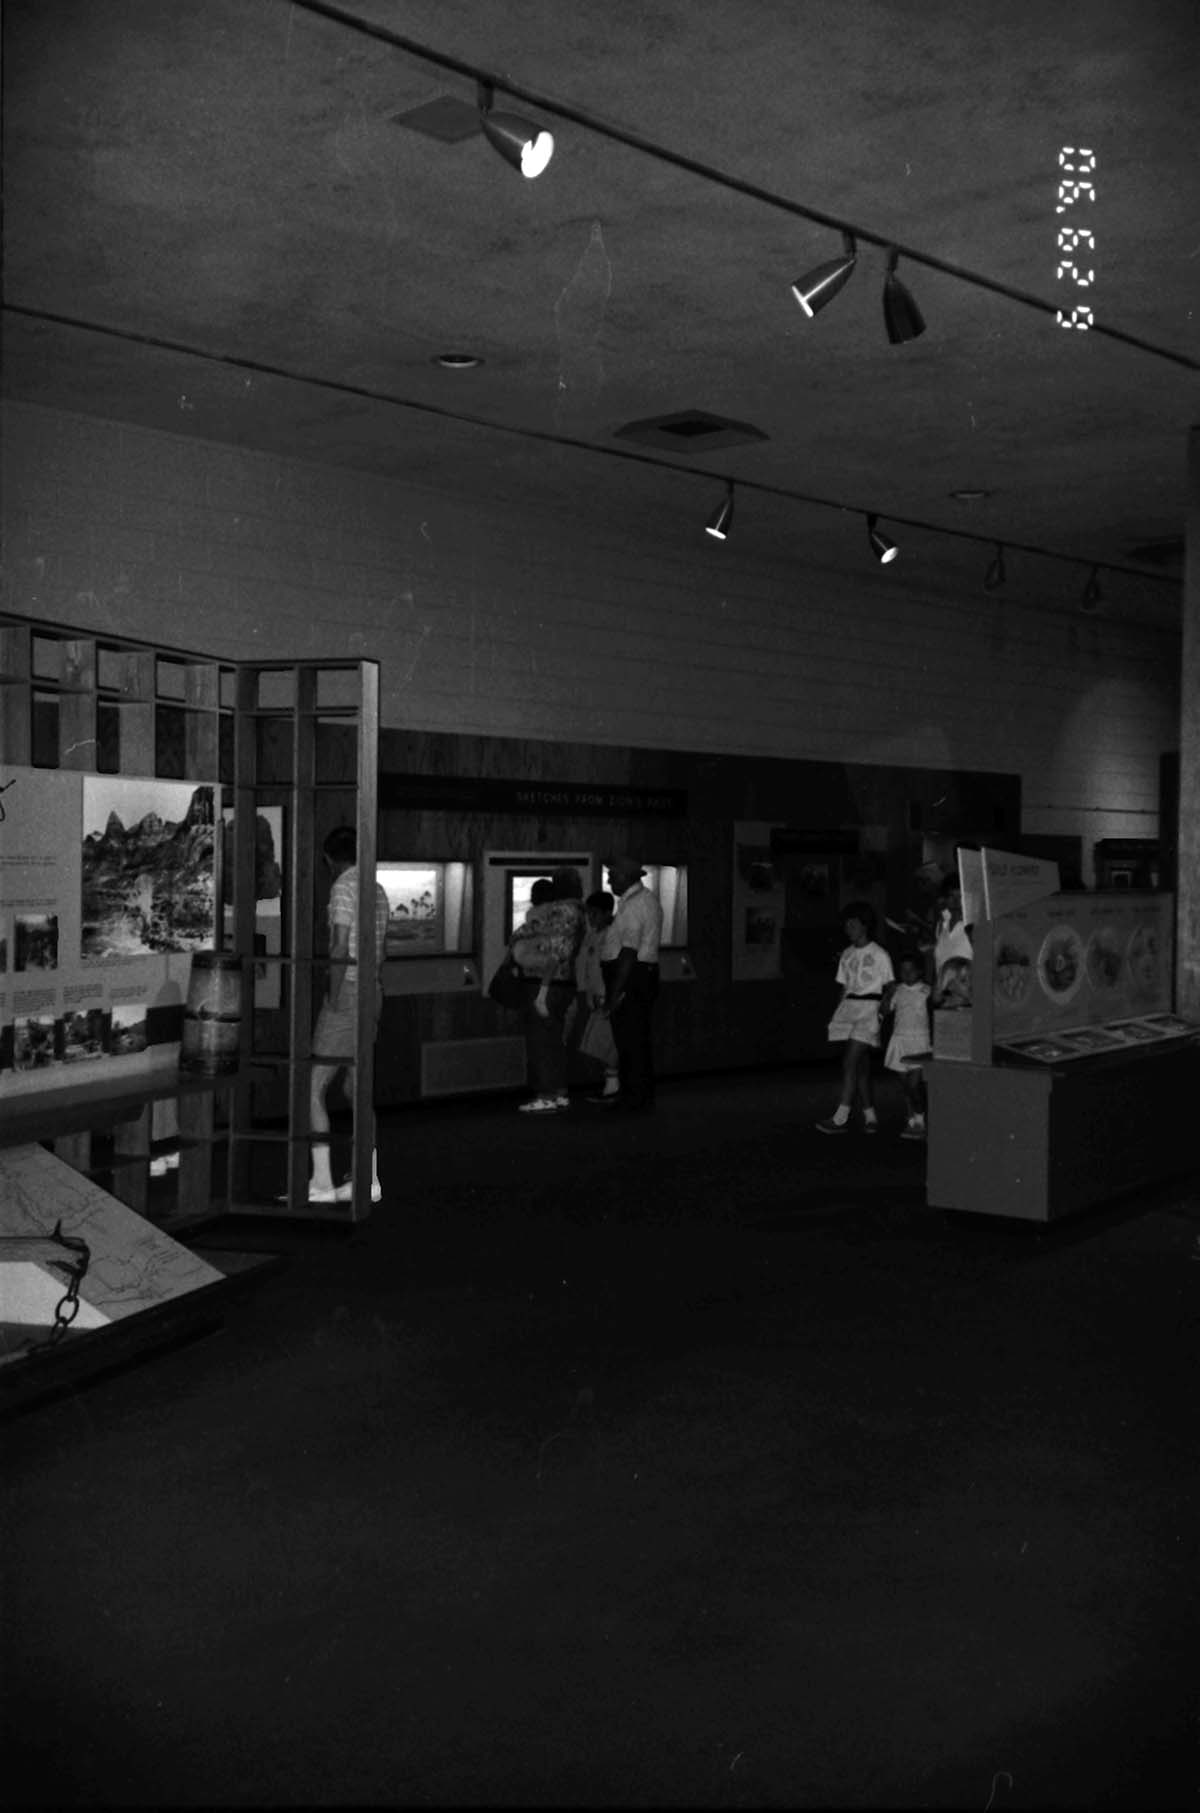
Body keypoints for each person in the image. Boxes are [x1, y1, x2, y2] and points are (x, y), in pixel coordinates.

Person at [308, 825, 390, 1203]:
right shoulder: (378, 889)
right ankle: (366, 1178)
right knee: (357, 1089)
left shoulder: (343, 885)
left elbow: (340, 945)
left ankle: (322, 1183)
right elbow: (381, 950)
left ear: (330, 858)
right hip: (372, 990)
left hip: (350, 990)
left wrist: (334, 993)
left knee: (312, 1088)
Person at [509, 866, 585, 1114]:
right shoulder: (576, 910)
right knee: (555, 1042)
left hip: (549, 983)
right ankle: (559, 1092)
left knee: (542, 1041)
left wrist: (542, 992)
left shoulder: (562, 911)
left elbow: (555, 952)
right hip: (565, 984)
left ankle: (546, 1095)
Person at [815, 899, 894, 1135]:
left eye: (852, 924)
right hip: (849, 1009)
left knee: (849, 1061)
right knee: (860, 1067)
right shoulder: (847, 954)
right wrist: (838, 1014)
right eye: (846, 925)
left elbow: (890, 986)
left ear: (864, 925)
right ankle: (870, 1116)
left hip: (869, 1010)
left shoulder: (880, 954)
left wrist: (883, 1010)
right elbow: (844, 987)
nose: (847, 929)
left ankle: (841, 1117)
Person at [600, 857, 664, 1113]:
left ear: (627, 878)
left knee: (630, 1042)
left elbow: (628, 952)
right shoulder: (642, 900)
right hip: (639, 976)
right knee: (636, 1040)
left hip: (631, 977)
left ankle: (634, 1098)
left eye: (613, 876)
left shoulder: (636, 905)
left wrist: (614, 993)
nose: (608, 880)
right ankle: (638, 1096)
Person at [576, 889, 620, 1101]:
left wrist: (607, 996)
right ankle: (611, 1086)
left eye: (594, 913)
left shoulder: (614, 934)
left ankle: (613, 1087)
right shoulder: (594, 934)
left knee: (608, 1044)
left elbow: (613, 971)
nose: (590, 918)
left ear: (606, 912)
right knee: (600, 1043)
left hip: (609, 998)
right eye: (588, 914)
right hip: (596, 996)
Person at [883, 951, 932, 1140]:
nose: (906, 974)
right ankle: (912, 1117)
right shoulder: (898, 990)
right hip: (899, 1041)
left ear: (919, 971)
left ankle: (920, 1119)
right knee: (906, 1087)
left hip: (919, 1043)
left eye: (910, 970)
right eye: (903, 971)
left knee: (913, 1085)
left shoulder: (926, 990)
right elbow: (886, 1010)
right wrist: (888, 994)